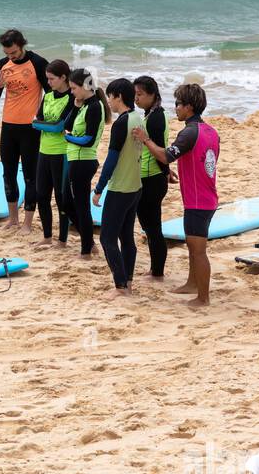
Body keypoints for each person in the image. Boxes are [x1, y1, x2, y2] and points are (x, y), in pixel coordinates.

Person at [152, 82, 219, 306]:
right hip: (206, 197)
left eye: (178, 104)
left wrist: (145, 139)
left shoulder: (189, 132)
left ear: (189, 107)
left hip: (198, 201)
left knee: (198, 250)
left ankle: (203, 298)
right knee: (193, 246)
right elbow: (196, 159)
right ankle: (192, 283)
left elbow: (166, 155)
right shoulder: (210, 131)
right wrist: (174, 171)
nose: (176, 108)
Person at [0, 29, 49, 233]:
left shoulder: (38, 63)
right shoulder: (3, 65)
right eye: (7, 54)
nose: (11, 57)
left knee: (30, 175)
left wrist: (40, 116)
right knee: (9, 173)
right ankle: (13, 219)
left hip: (30, 128)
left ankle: (28, 223)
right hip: (8, 126)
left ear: (22, 45)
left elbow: (51, 94)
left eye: (13, 53)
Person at [93, 78, 146, 298]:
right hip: (135, 187)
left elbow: (112, 160)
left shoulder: (121, 123)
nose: (109, 102)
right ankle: (128, 283)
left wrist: (98, 188)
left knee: (107, 238)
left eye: (110, 97)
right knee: (126, 238)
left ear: (119, 97)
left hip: (120, 189)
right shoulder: (138, 119)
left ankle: (121, 286)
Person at [60, 68, 108, 258]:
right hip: (75, 160)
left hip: (83, 161)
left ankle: (86, 250)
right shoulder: (85, 105)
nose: (71, 92)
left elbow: (88, 139)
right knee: (66, 204)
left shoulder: (96, 106)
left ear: (84, 86)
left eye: (73, 88)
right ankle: (89, 242)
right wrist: (76, 105)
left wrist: (69, 139)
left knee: (81, 207)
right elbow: (67, 126)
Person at [30, 58, 73, 247]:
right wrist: (43, 124)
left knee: (61, 197)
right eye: (47, 79)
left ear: (63, 78)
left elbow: (59, 127)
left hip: (61, 152)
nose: (48, 82)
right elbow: (34, 122)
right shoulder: (48, 96)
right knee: (41, 195)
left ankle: (62, 240)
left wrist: (41, 124)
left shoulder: (72, 98)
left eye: (52, 79)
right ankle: (47, 236)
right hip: (43, 150)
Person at [130, 76, 169, 281]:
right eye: (135, 94)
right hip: (150, 176)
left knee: (153, 227)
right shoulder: (151, 114)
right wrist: (167, 169)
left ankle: (157, 272)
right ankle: (155, 269)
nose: (136, 98)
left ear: (152, 95)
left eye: (140, 94)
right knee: (149, 226)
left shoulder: (155, 118)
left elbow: (160, 150)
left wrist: (164, 171)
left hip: (152, 179)